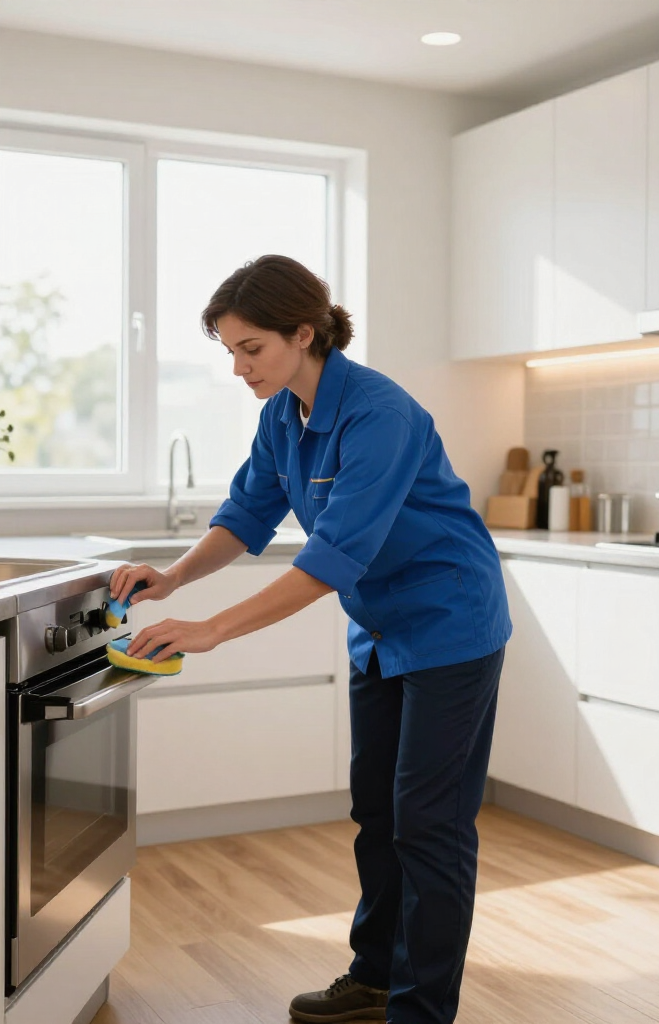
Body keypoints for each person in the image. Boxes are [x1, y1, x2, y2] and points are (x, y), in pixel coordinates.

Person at [109, 254, 511, 1024]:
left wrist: (215, 629)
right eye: (228, 350)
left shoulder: (378, 415)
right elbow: (246, 517)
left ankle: (421, 1012)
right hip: (381, 630)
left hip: (450, 624)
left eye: (250, 349)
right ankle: (373, 979)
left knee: (430, 822)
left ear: (304, 332)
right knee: (378, 813)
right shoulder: (280, 417)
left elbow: (331, 558)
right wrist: (174, 578)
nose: (237, 367)